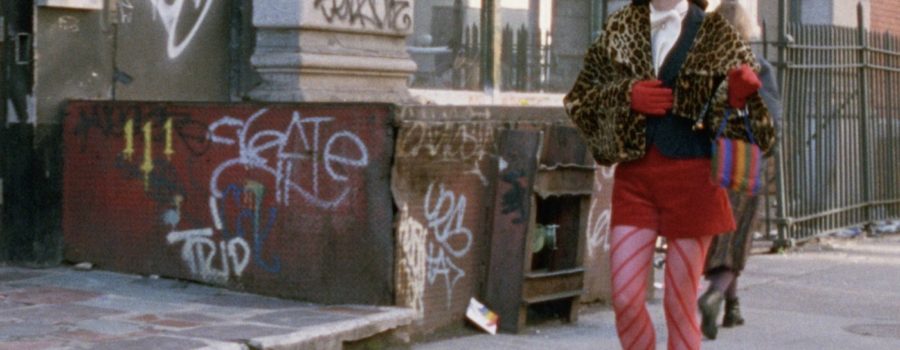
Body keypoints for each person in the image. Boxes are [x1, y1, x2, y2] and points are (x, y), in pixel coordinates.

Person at [563, 0, 776, 349]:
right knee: (627, 299)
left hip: (694, 181)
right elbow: (579, 100)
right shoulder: (621, 28)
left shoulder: (716, 34)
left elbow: (761, 130)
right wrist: (626, 95)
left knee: (679, 306)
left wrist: (737, 98)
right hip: (637, 179)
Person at [697, 0, 782, 341]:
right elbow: (771, 121)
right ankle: (715, 294)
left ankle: (732, 308)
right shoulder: (757, 66)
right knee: (739, 234)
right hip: (745, 162)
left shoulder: (701, 65)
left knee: (717, 234)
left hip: (708, 161)